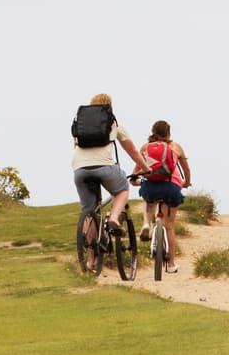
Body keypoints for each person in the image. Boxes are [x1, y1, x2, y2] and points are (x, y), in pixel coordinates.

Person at [70, 93, 138, 254]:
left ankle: (90, 260)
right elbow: (133, 151)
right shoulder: (113, 124)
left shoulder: (81, 126)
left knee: (89, 211)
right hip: (105, 167)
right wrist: (145, 168)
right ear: (109, 107)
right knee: (122, 189)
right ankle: (114, 217)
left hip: (80, 170)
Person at [134, 120, 191, 273]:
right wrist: (186, 183)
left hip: (150, 187)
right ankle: (171, 264)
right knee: (169, 226)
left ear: (152, 131)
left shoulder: (146, 148)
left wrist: (135, 181)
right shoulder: (175, 147)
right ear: (168, 133)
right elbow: (186, 169)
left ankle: (146, 223)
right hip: (171, 187)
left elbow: (136, 171)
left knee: (149, 199)